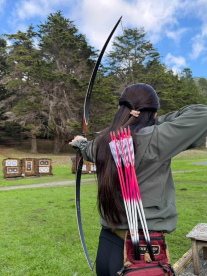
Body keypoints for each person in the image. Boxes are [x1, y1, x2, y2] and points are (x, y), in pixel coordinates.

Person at [70, 83, 207, 276]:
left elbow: (85, 147)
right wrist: (153, 119)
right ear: (153, 113)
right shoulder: (158, 137)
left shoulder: (102, 141)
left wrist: (79, 142)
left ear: (120, 109)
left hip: (108, 246)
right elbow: (202, 113)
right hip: (143, 252)